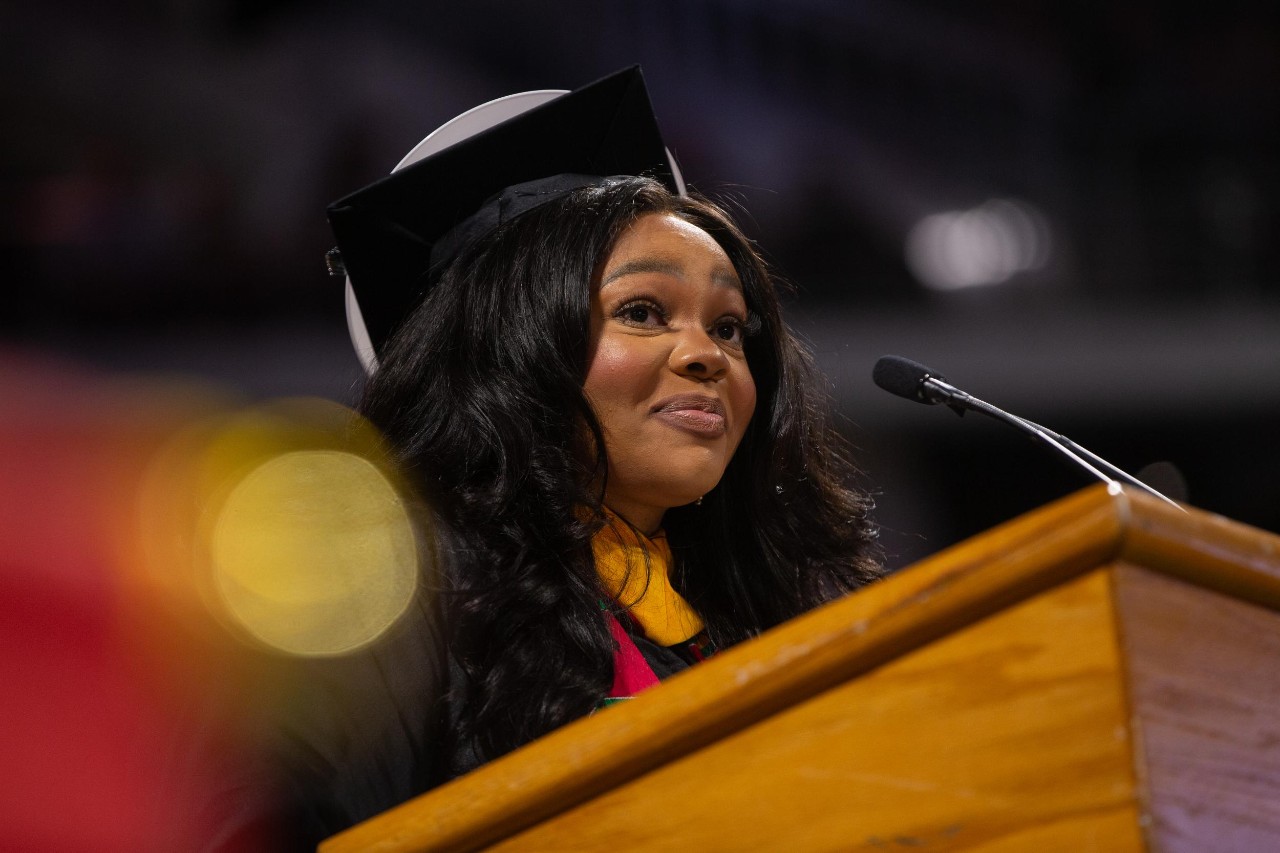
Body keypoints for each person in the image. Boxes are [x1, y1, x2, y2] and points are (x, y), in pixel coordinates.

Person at [199, 66, 881, 851]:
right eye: (643, 311)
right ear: (509, 349)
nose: (707, 354)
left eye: (730, 327)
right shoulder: (385, 590)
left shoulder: (745, 611)